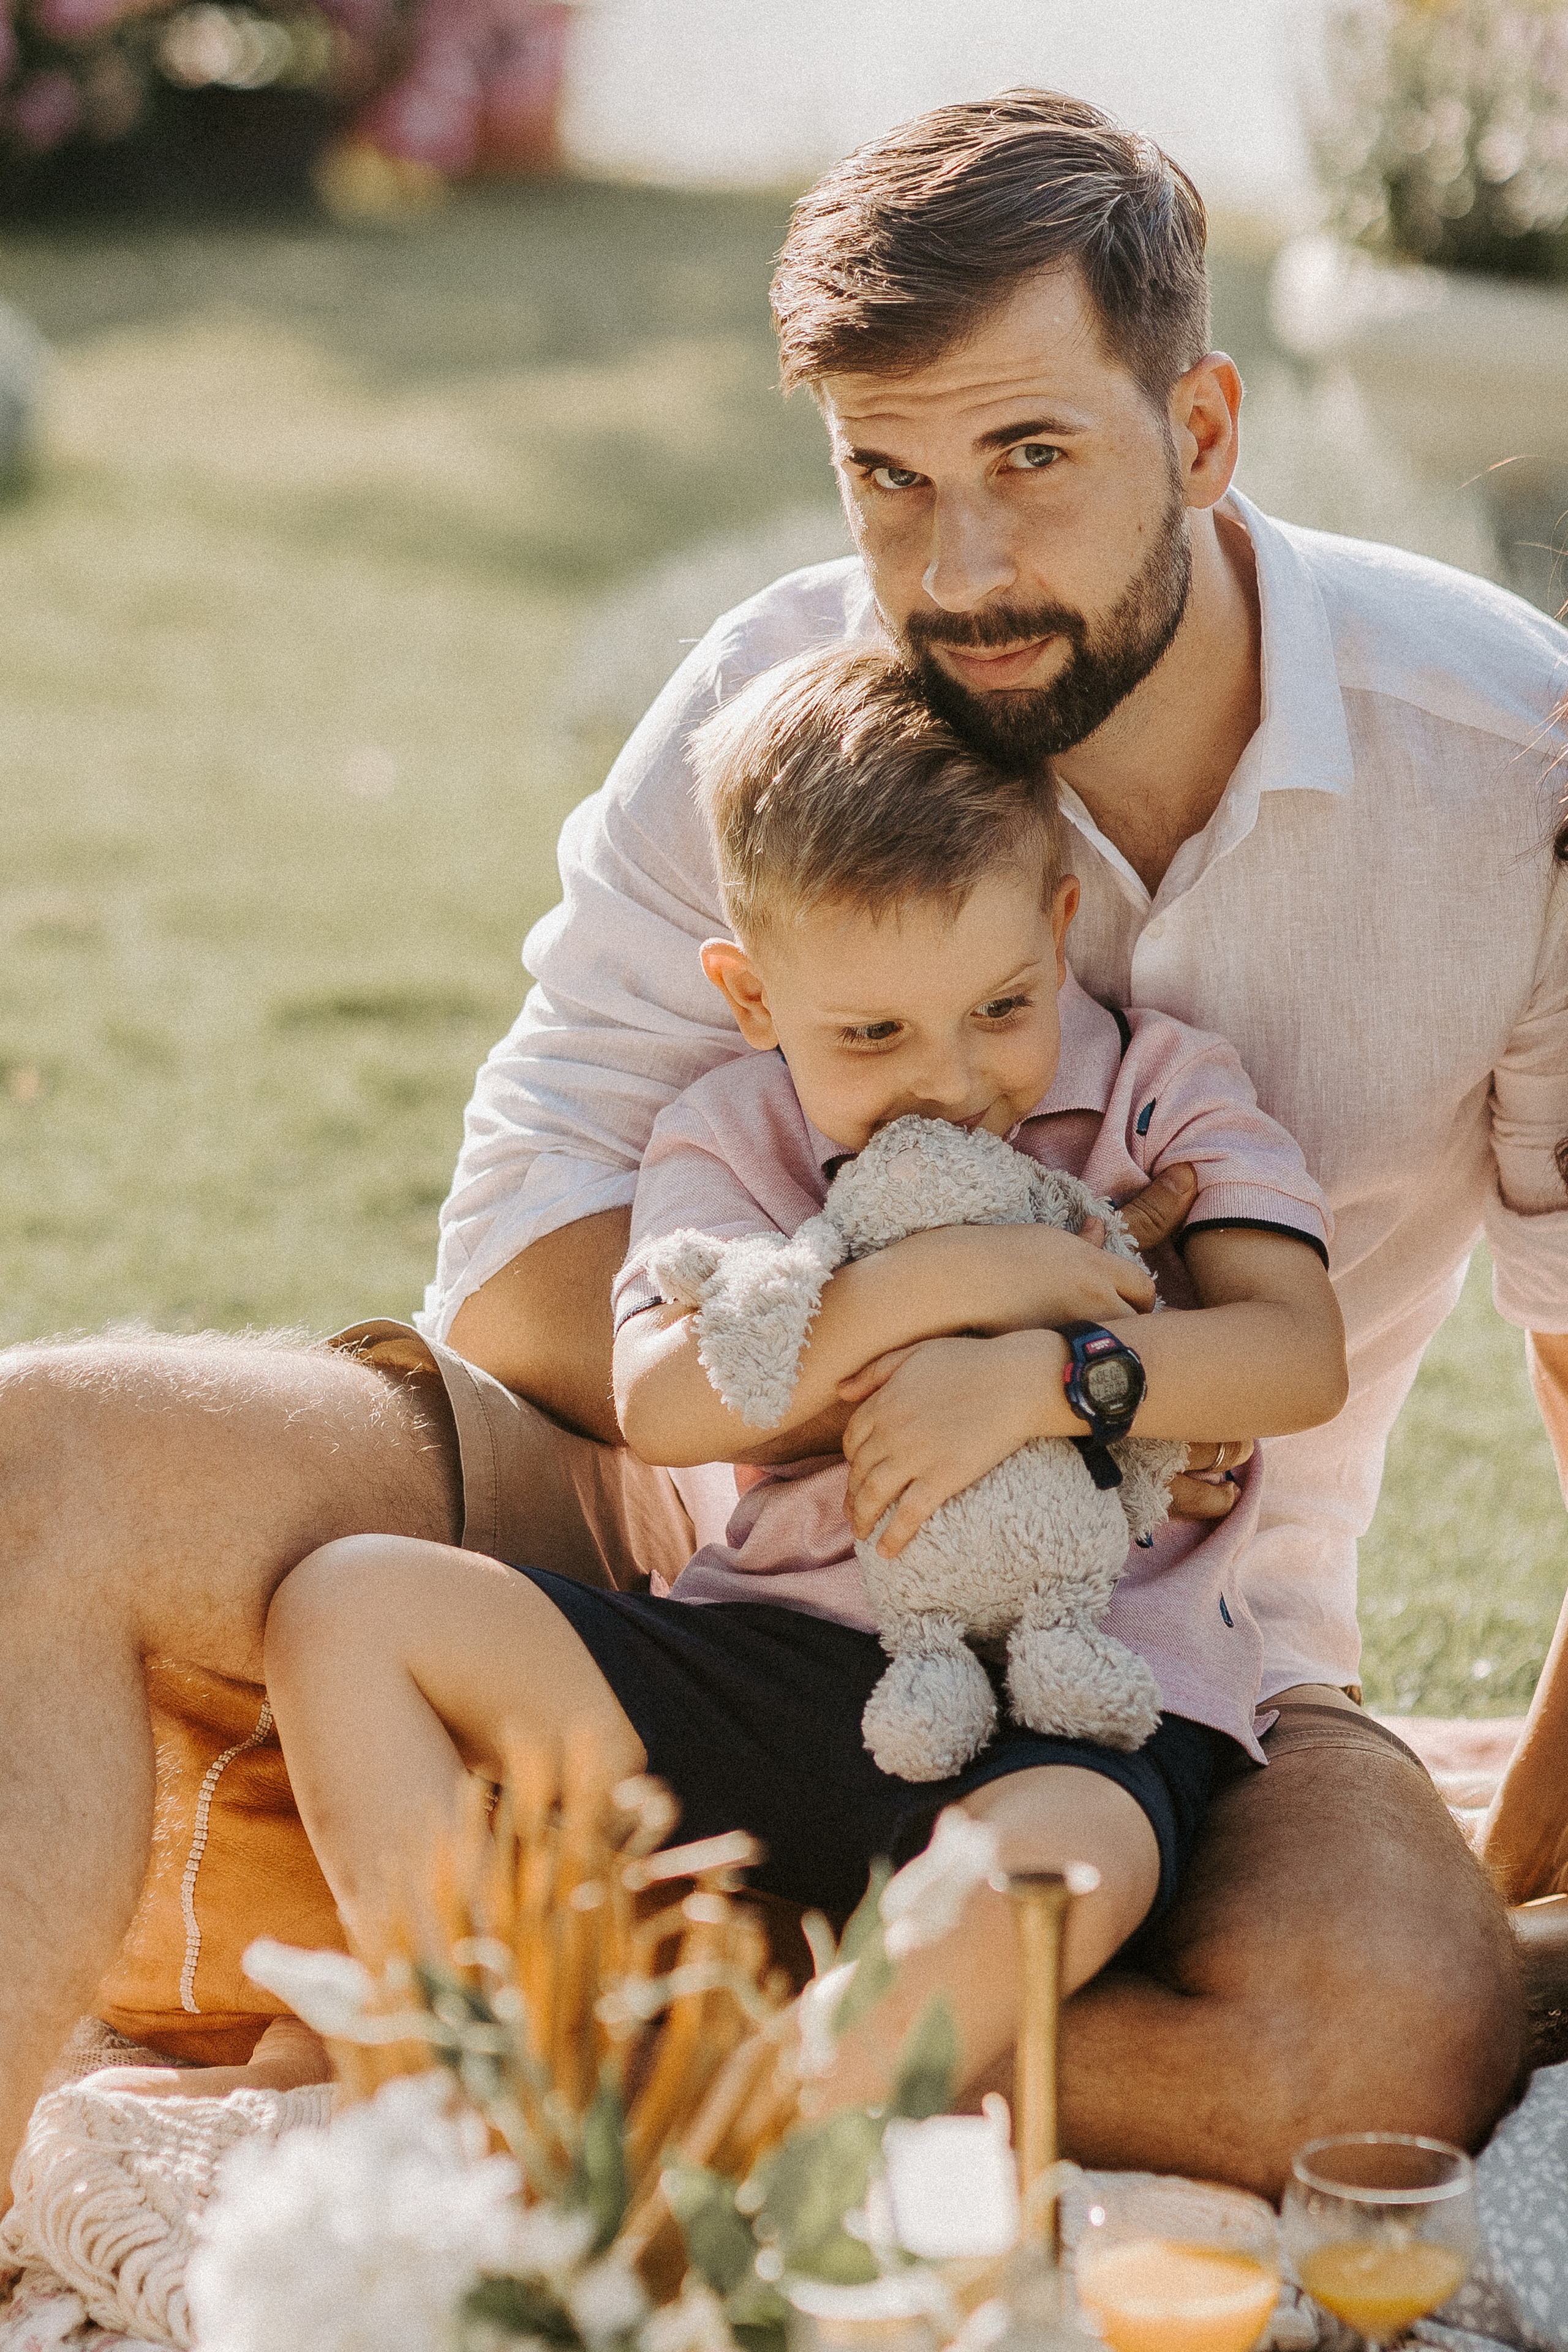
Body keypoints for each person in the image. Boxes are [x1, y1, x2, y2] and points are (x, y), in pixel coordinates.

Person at [0, 87, 1561, 2196]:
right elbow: (521, 1274)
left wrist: (1096, 1388)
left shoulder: (1508, 772)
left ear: (1203, 430)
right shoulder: (772, 720)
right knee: (47, 1460)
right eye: (886, 479)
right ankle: (566, 2031)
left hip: (1180, 1643)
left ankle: (644, 2042)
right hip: (679, 1548)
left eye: (1033, 458)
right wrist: (908, 1330)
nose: (960, 565)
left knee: (1382, 2042)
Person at [261, 646, 1349, 2111]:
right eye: (869, 1034)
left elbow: (1293, 1353)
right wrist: (937, 1284)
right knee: (347, 1604)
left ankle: (743, 2142)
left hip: (1081, 1693)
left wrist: (1044, 1377)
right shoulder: (727, 1136)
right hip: (777, 1656)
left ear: (1059, 919)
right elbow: (663, 1400)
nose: (952, 1080)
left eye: (1001, 1008)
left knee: (1048, 1869)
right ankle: (464, 2081)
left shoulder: (1162, 1090)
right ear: (752, 995)